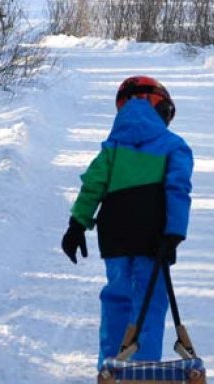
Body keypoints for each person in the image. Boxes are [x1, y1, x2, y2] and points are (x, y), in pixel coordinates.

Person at [61, 75, 194, 367]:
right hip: (153, 238)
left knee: (117, 299)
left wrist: (77, 224)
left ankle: (111, 368)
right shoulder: (174, 146)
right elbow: (178, 190)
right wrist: (173, 233)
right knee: (149, 304)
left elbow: (93, 185)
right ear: (161, 108)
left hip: (115, 238)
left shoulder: (112, 149)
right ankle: (140, 372)